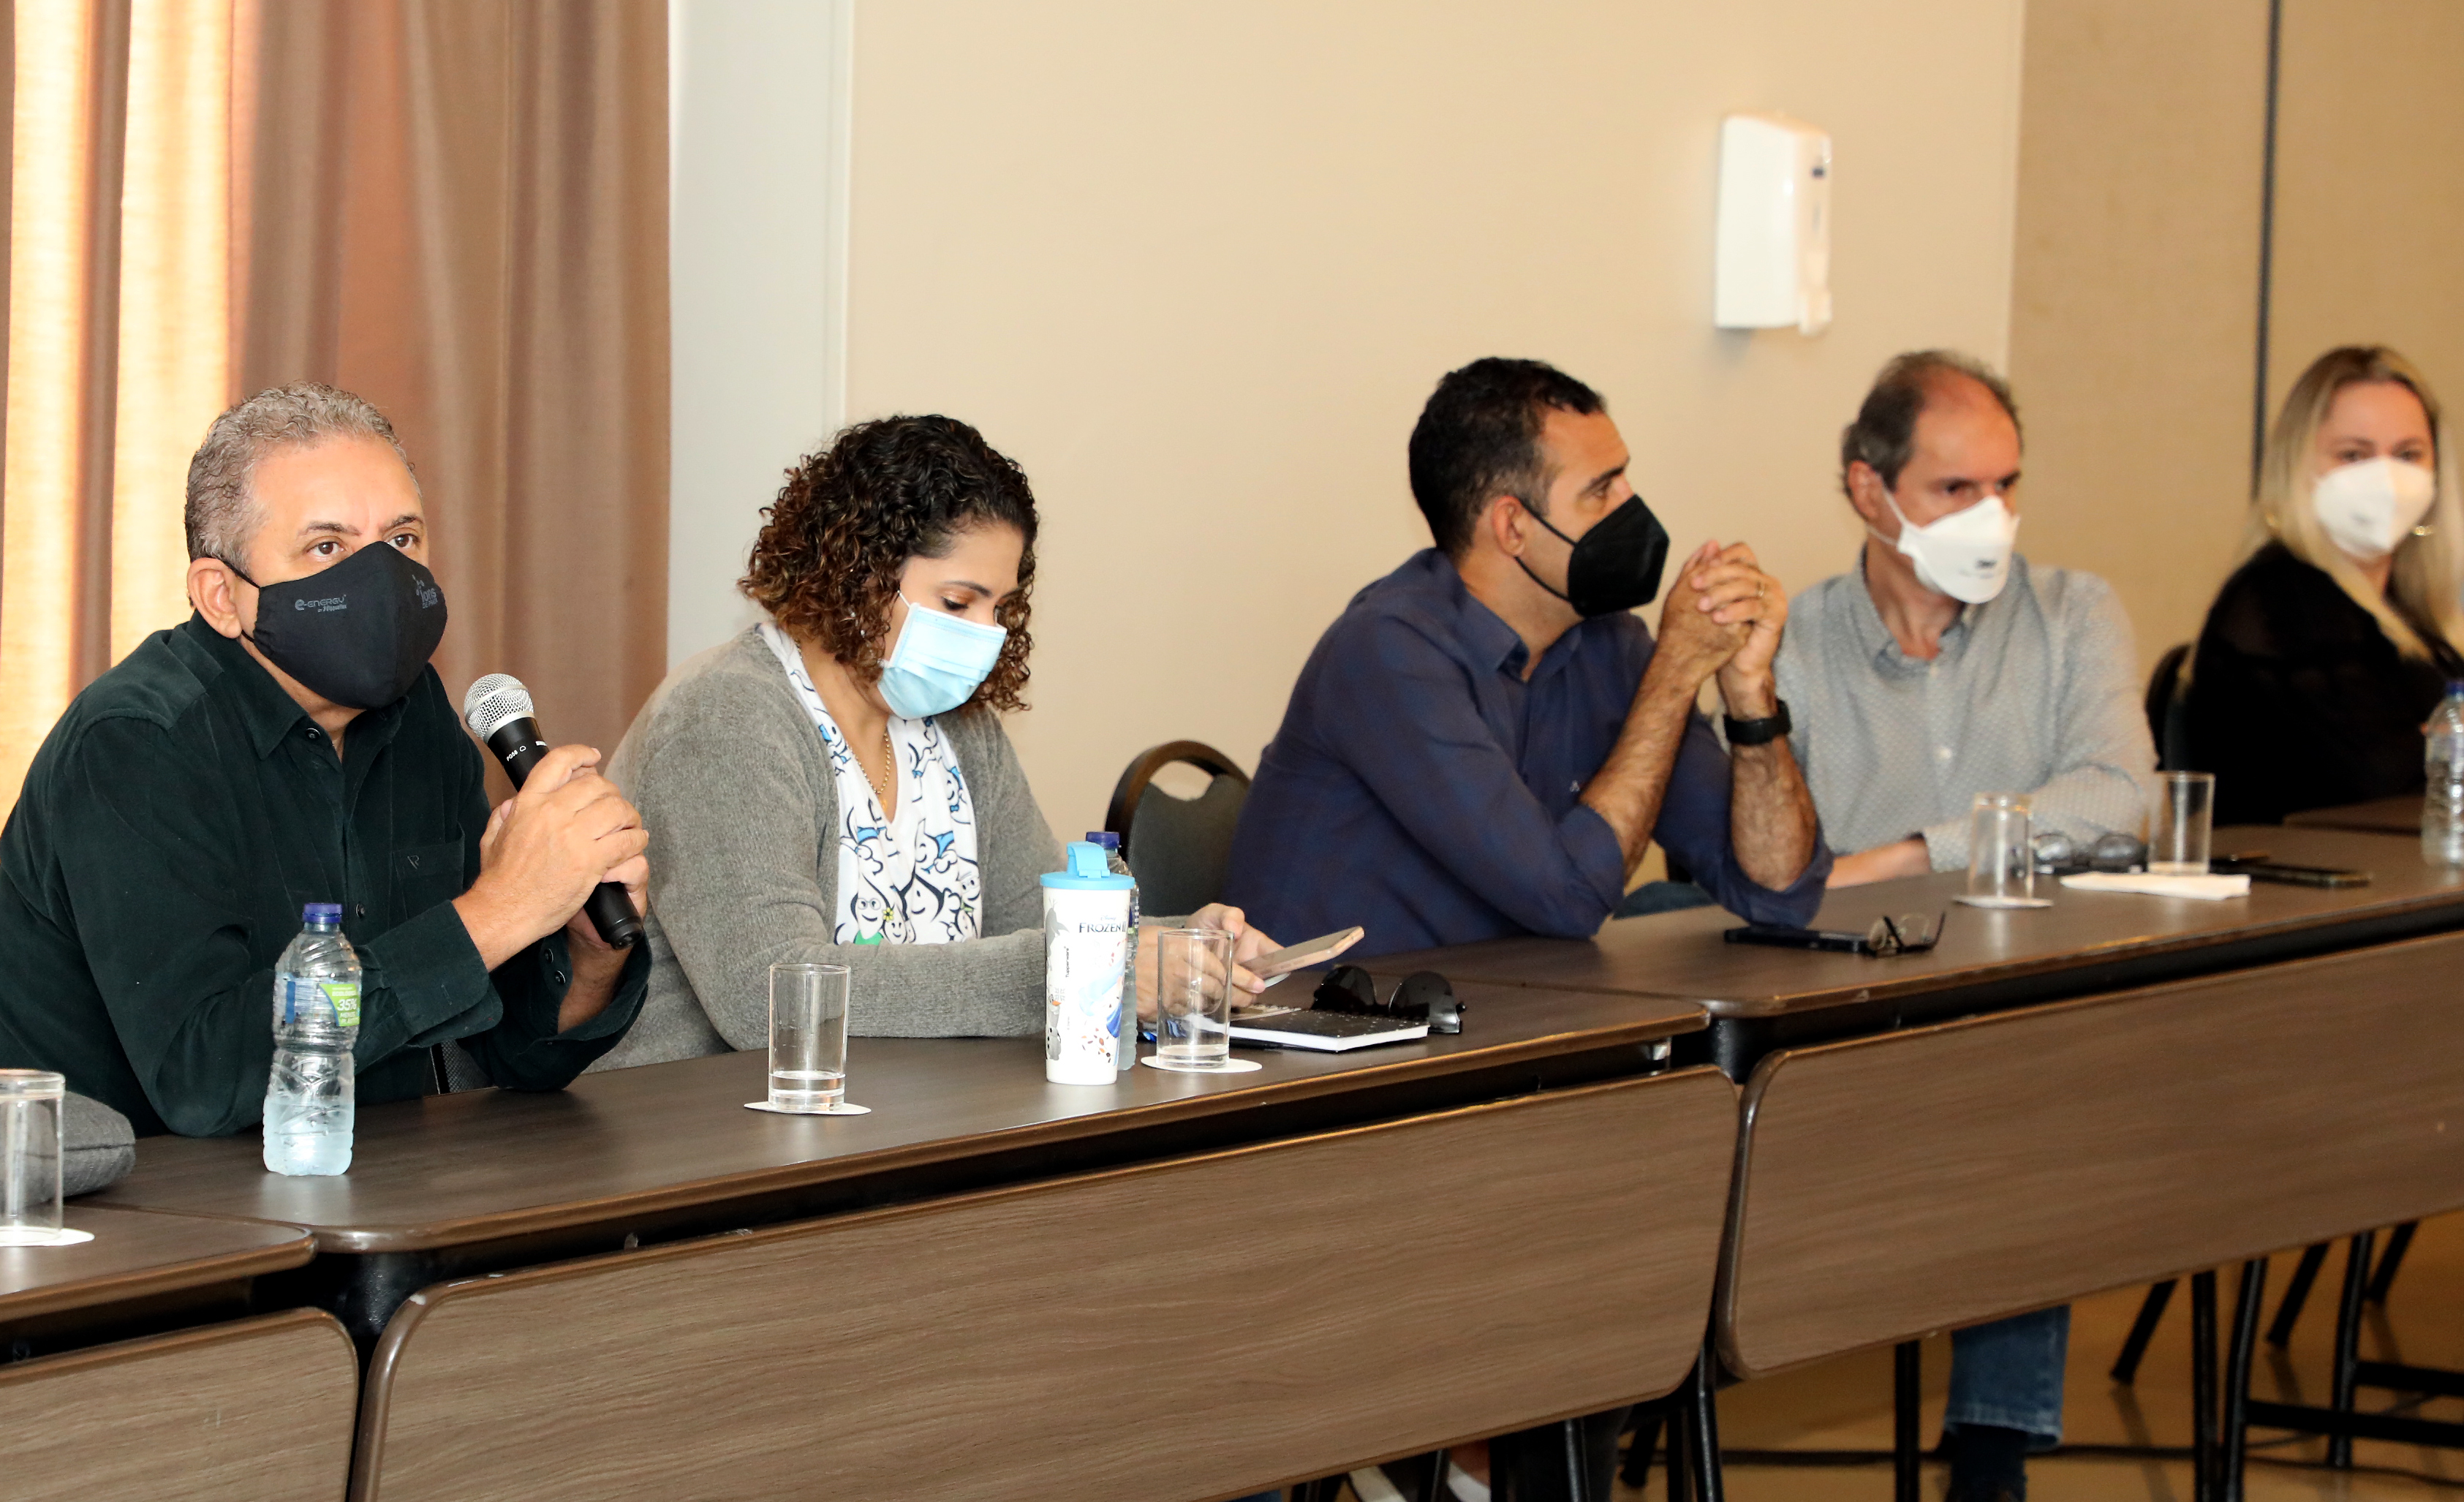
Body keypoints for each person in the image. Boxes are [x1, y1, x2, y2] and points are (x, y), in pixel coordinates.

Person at [0, 383, 651, 1138]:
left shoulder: (414, 716)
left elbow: (514, 1052)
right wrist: (498, 912)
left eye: (402, 540)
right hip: (122, 1191)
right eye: (327, 547)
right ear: (221, 597)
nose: (382, 581)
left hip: (367, 1176)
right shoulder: (135, 744)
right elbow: (204, 1080)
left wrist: (585, 949)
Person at [594, 415, 1275, 1071]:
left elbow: (1035, 923)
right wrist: (1087, 969)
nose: (986, 635)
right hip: (702, 1116)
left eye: (999, 608)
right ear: (856, 571)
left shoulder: (958, 726)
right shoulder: (726, 717)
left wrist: (1181, 949)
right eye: (957, 603)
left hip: (905, 1108)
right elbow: (768, 995)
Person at [1777, 350, 2157, 1502]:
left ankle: (1988, 1464)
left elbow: (2117, 800)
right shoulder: (1794, 644)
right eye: (1954, 489)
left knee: (2024, 1081)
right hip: (1853, 1015)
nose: (1989, 514)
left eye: (2005, 483)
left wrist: (1911, 853)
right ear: (1868, 488)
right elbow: (1770, 864)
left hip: (2024, 1005)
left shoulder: (2073, 613)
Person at [1223, 356, 1828, 962]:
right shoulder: (1389, 652)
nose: (1632, 506)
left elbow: (1780, 892)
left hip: (1504, 1006)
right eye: (1602, 490)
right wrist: (1674, 674)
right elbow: (1566, 898)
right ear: (1512, 525)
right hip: (1330, 1016)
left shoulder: (1611, 645)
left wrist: (1751, 695)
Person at [2183, 344, 2464, 826]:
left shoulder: (2410, 611)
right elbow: (2379, 779)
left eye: (2408, 454)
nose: (2386, 479)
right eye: (2353, 455)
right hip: (2298, 870)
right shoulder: (2278, 599)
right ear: (2298, 466)